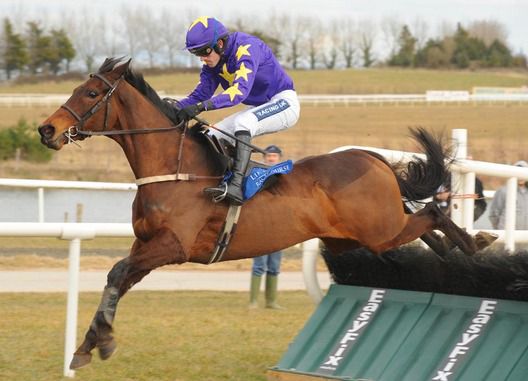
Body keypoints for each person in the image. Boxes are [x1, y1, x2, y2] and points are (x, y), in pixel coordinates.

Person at [172, 16, 300, 205]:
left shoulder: (247, 48)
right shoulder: (212, 64)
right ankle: (221, 180)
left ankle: (237, 185)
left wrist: (202, 107)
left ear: (220, 44)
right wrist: (171, 107)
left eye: (204, 51)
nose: (202, 58)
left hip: (284, 102)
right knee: (212, 134)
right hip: (259, 107)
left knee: (244, 123)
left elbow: (239, 92)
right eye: (196, 53)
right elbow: (199, 95)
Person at [249, 145, 285, 309]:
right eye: (269, 156)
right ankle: (253, 301)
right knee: (259, 265)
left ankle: (271, 301)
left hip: (279, 226)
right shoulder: (257, 176)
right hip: (261, 226)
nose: (271, 158)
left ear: (279, 158)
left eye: (274, 156)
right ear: (264, 158)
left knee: (274, 265)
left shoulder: (284, 176)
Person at [489, 160, 528, 230]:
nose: (521, 176)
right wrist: (501, 231)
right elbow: (494, 215)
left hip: (525, 237)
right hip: (507, 236)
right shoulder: (503, 191)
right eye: (518, 172)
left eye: (523, 172)